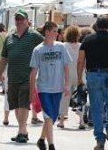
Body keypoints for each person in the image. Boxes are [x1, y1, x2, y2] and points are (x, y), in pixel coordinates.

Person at [77, 15, 108, 150]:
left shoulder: (87, 39)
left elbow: (80, 61)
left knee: (96, 108)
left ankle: (99, 141)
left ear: (96, 26)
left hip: (92, 76)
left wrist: (80, 79)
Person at [0, 9, 44, 143]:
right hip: (12, 76)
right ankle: (23, 130)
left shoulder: (34, 35)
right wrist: (0, 73)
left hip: (27, 77)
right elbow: (4, 57)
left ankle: (21, 131)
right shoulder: (10, 37)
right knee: (16, 106)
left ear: (27, 21)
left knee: (24, 104)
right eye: (17, 19)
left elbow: (45, 47)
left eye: (21, 19)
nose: (19, 21)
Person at [30, 21, 70, 150]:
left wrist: (67, 84)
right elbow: (33, 71)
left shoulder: (61, 47)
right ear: (47, 32)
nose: (57, 33)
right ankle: (51, 144)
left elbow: (66, 67)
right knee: (47, 115)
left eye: (57, 31)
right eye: (54, 31)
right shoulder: (38, 49)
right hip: (44, 88)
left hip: (57, 87)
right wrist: (32, 91)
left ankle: (41, 139)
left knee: (52, 117)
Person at [58, 25, 82, 129]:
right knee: (80, 97)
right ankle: (81, 121)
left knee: (64, 97)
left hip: (66, 74)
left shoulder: (63, 46)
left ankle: (62, 120)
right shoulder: (81, 46)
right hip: (78, 74)